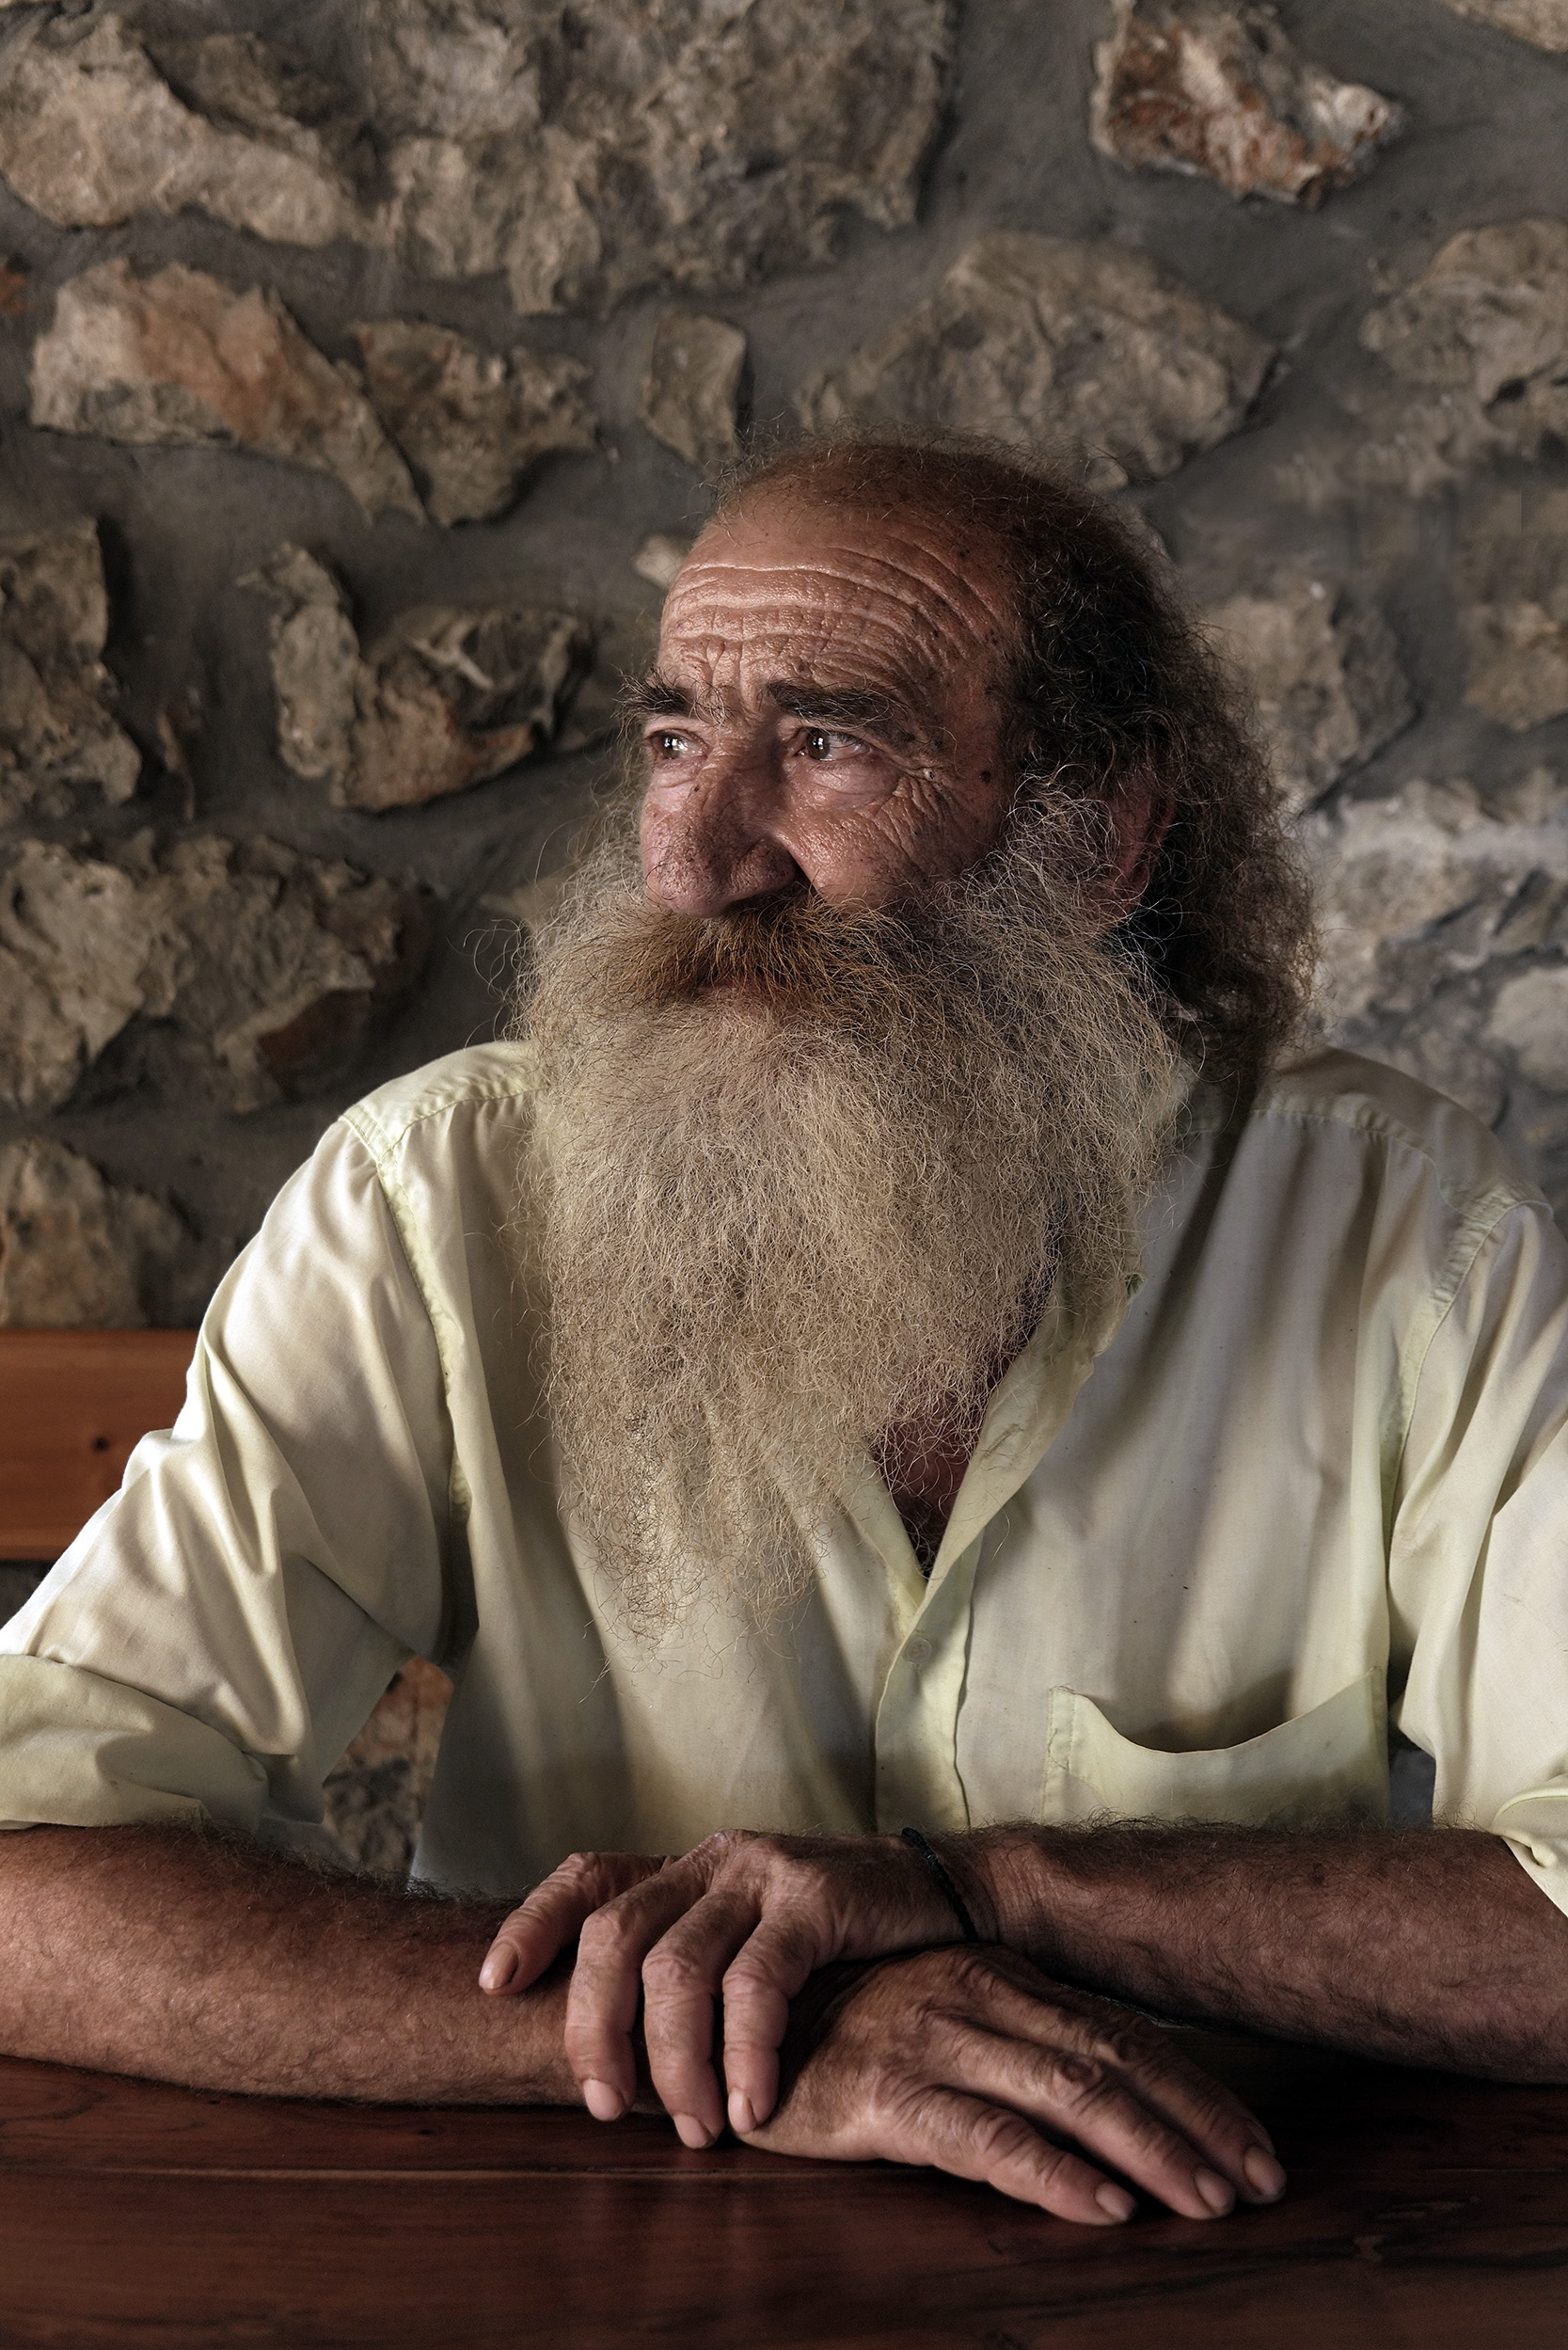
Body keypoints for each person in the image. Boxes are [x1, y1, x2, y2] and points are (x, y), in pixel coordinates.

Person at [3, 435, 1568, 2233]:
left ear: (1101, 836)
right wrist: (737, 2031)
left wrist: (995, 1893)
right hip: (597, 2269)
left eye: (828, 744)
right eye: (677, 739)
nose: (696, 860)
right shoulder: (436, 1199)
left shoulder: (1397, 1231)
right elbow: (23, 1874)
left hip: (1220, 2254)